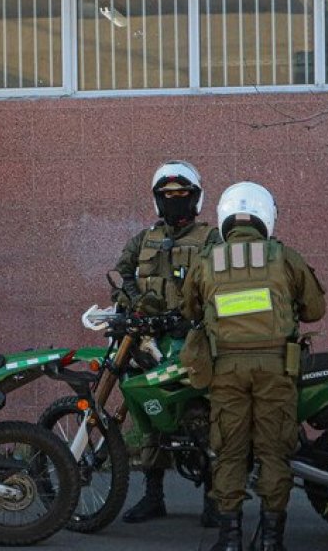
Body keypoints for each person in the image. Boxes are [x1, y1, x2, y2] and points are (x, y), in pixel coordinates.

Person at [181, 182, 326, 551]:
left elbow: (189, 309)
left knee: (229, 451)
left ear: (224, 218)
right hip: (276, 368)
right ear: (266, 217)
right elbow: (315, 310)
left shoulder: (206, 260)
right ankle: (271, 541)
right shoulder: (285, 257)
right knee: (274, 452)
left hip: (226, 370)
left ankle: (230, 540)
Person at [111, 161, 222, 526]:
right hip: (150, 342)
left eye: (182, 193)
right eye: (167, 194)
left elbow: (223, 284)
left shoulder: (211, 238)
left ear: (196, 197)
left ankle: (213, 499)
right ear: (157, 199)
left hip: (192, 340)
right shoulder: (144, 239)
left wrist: (196, 315)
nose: (174, 199)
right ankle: (153, 495)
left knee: (200, 415)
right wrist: (135, 303)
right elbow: (121, 273)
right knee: (150, 413)